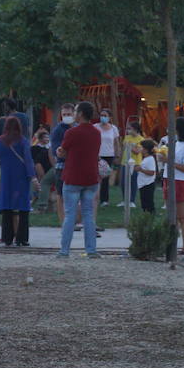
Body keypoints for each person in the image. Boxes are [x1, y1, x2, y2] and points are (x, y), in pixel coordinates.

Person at [57, 100, 102, 258]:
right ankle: (91, 250)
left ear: (81, 114)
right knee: (88, 215)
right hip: (91, 178)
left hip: (73, 176)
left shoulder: (72, 133)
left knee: (70, 215)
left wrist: (59, 151)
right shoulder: (97, 133)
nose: (74, 114)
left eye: (75, 111)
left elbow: (63, 152)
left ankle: (64, 251)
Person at [0, 116, 33, 247]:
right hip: (21, 178)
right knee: (23, 208)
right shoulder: (23, 141)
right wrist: (32, 175)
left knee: (7, 208)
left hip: (6, 177)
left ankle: (7, 237)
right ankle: (22, 238)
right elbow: (28, 159)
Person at [162, 118, 184, 255]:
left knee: (182, 216)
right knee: (171, 216)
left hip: (180, 181)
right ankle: (171, 245)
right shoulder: (174, 143)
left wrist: (169, 161)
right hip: (168, 178)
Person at [49, 102, 75, 225]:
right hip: (62, 166)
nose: (66, 116)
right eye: (64, 114)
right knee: (61, 194)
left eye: (69, 114)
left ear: (74, 114)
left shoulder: (77, 127)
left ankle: (74, 219)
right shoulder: (58, 130)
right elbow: (57, 151)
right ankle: (63, 220)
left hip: (76, 165)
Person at [96, 108, 121, 207]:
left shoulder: (113, 128)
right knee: (96, 177)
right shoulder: (96, 127)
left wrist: (117, 154)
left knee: (105, 178)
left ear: (109, 117)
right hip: (98, 155)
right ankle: (95, 197)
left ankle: (104, 199)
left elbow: (116, 143)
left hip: (109, 155)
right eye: (101, 115)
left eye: (105, 115)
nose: (103, 117)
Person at [120, 119, 143, 207]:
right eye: (128, 129)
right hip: (125, 162)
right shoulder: (127, 137)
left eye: (130, 129)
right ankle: (124, 200)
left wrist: (130, 146)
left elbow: (137, 151)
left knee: (133, 182)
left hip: (135, 163)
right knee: (123, 183)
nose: (128, 130)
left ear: (135, 129)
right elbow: (124, 148)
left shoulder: (141, 139)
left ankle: (131, 201)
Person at [30, 128, 53, 212]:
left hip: (49, 168)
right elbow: (36, 161)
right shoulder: (35, 148)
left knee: (46, 186)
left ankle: (47, 205)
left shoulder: (50, 148)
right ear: (40, 139)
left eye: (47, 137)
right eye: (44, 137)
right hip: (40, 168)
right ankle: (33, 202)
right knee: (40, 185)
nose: (47, 139)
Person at [136, 139, 159, 213]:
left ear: (146, 149)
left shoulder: (150, 159)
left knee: (148, 203)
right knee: (144, 203)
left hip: (148, 184)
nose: (140, 149)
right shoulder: (145, 159)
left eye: (141, 147)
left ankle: (150, 217)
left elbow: (152, 172)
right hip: (143, 184)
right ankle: (146, 217)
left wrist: (141, 169)